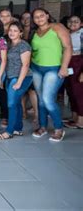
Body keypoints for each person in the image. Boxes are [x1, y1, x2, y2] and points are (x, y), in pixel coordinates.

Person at [31, 8, 72, 142]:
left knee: (48, 99)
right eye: (36, 17)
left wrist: (64, 67)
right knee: (40, 99)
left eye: (41, 15)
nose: (39, 18)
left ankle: (59, 128)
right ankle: (43, 127)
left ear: (47, 15)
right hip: (36, 68)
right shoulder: (36, 32)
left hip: (54, 69)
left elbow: (68, 47)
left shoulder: (57, 27)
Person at [0, 22, 33, 140]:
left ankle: (9, 131)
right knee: (16, 103)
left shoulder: (24, 45)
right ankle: (18, 128)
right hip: (10, 77)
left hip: (22, 77)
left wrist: (19, 82)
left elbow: (26, 65)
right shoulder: (8, 45)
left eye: (15, 30)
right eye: (10, 30)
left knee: (11, 103)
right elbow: (5, 63)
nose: (12, 32)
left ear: (21, 33)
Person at [64, 15, 83, 129]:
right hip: (68, 63)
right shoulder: (67, 33)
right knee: (71, 91)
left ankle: (81, 120)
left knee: (79, 93)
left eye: (76, 21)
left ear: (81, 23)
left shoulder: (81, 34)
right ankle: (74, 117)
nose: (73, 23)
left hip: (79, 63)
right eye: (70, 21)